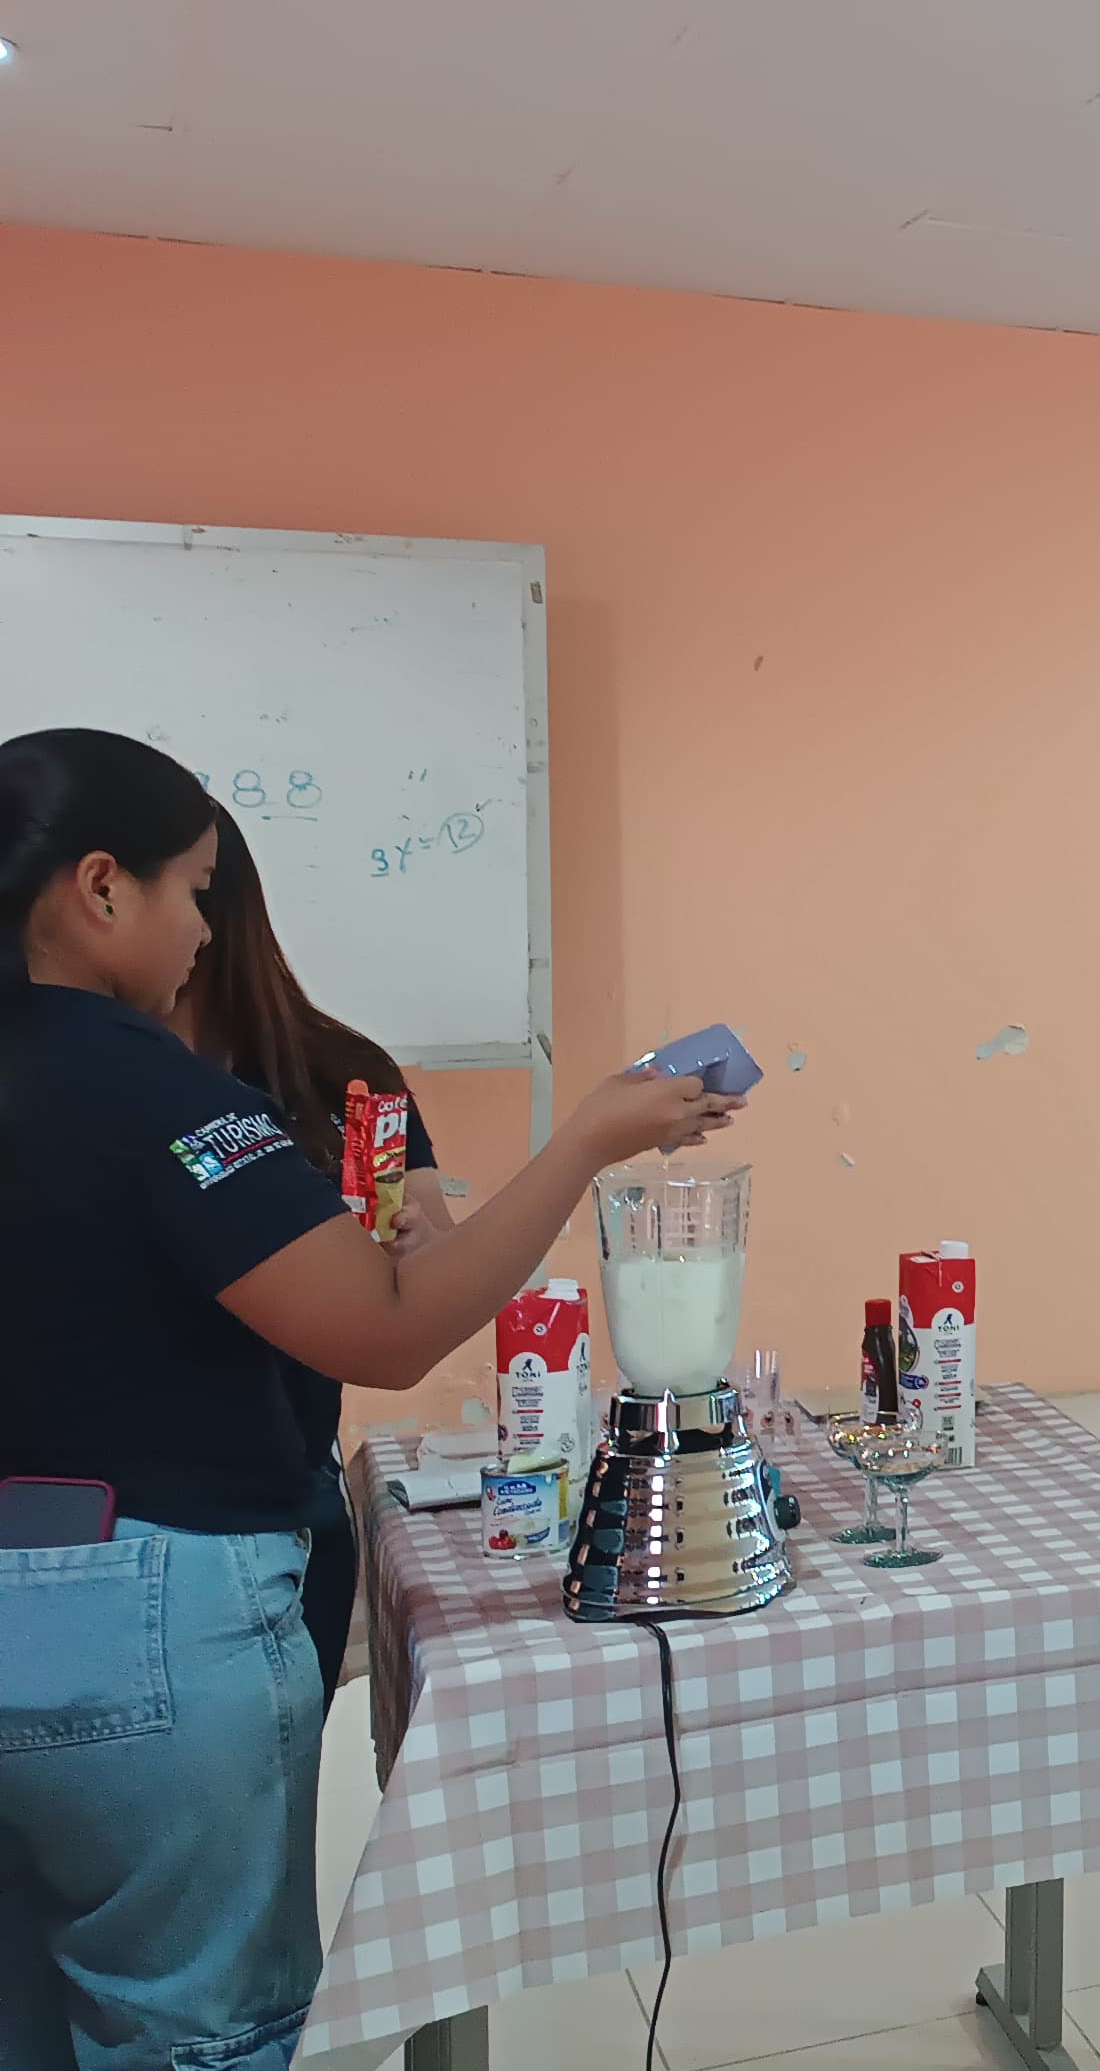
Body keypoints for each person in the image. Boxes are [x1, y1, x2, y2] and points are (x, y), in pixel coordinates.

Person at [0, 727, 741, 2071]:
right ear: (102, 888)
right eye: (191, 889)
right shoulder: (155, 1096)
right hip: (139, 1604)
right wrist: (586, 1139)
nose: (200, 931)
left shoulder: (256, 1078)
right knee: (195, 2028)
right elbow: (384, 1326)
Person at [167, 807, 463, 1703]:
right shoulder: (88, 1080)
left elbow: (429, 1256)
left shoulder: (340, 1072)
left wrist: (419, 1246)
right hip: (144, 1523)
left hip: (294, 1496)